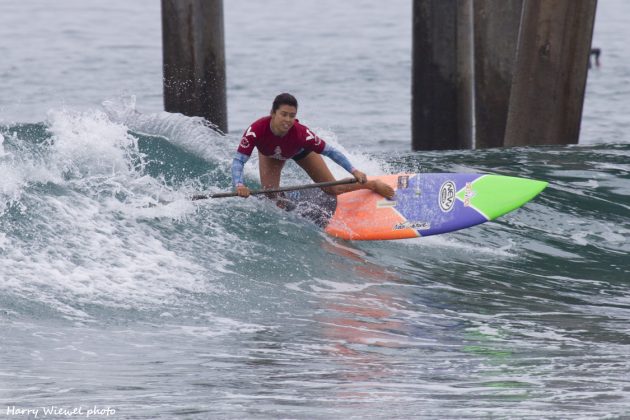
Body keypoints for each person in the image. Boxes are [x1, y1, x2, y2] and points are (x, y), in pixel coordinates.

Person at [231, 93, 395, 200]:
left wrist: (354, 171)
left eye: (292, 116)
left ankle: (372, 184)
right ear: (273, 113)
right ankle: (285, 202)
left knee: (333, 189)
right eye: (283, 115)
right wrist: (239, 185)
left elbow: (331, 152)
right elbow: (239, 160)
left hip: (299, 151)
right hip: (270, 155)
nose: (288, 120)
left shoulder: (302, 134)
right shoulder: (255, 131)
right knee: (271, 195)